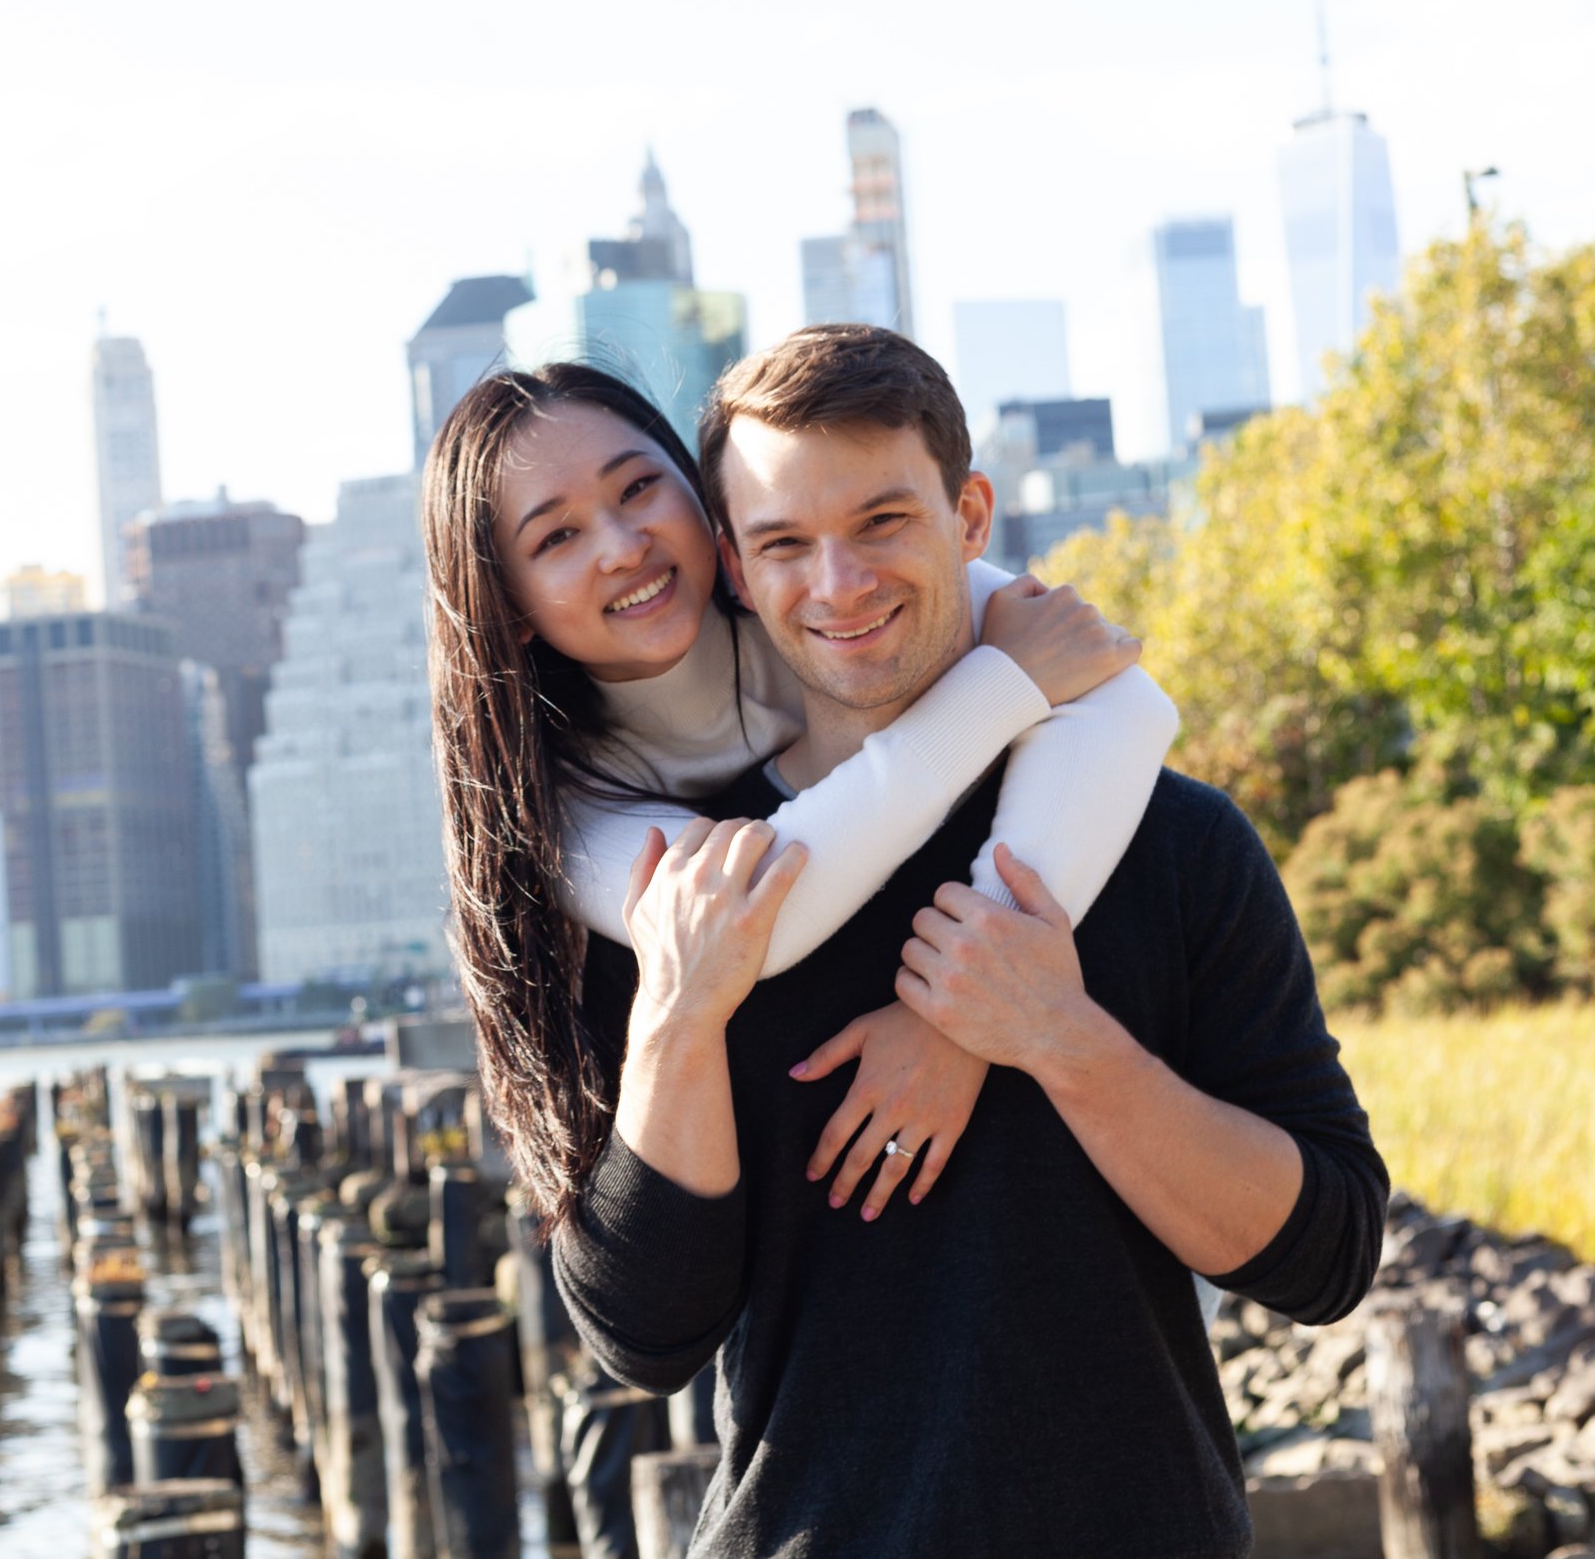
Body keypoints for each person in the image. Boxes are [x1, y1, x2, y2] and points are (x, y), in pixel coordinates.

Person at [550, 324, 1387, 1556]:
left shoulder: (1169, 838)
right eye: (784, 541)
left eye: (883, 519)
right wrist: (680, 1008)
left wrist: (1058, 1040)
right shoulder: (693, 890)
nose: (837, 582)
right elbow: (646, 1335)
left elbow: (1326, 1256)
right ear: (730, 562)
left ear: (971, 512)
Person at [423, 360, 1176, 1238]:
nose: (623, 545)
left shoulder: (823, 591)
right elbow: (753, 924)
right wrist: (1000, 684)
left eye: (637, 488)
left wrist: (968, 1015)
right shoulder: (554, 803)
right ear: (507, 605)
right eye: (556, 538)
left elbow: (1124, 699)